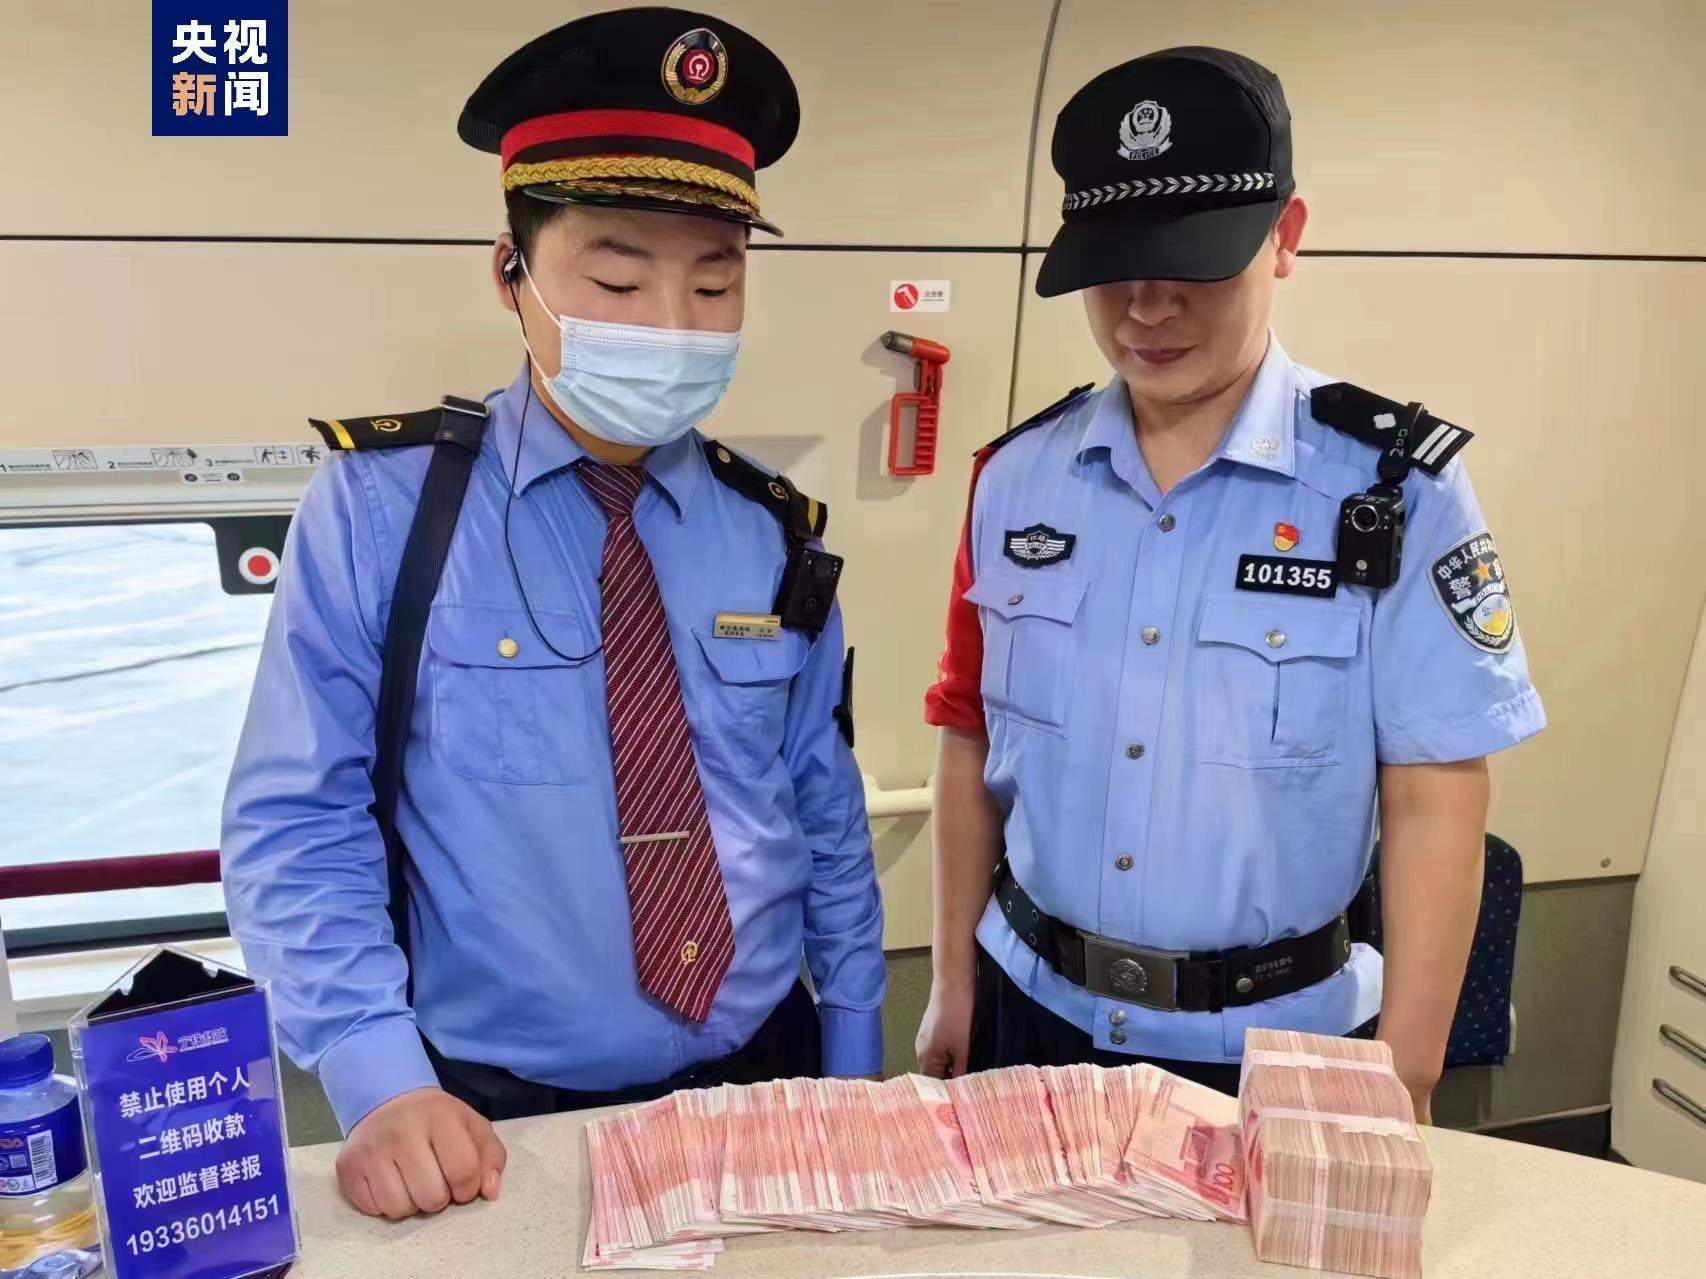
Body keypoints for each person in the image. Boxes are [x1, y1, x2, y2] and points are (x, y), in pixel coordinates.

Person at [221, 7, 884, 1221]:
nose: (669, 324)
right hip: (498, 1116)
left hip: (771, 1080)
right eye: (617, 278)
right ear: (510, 271)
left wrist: (852, 1044)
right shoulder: (383, 511)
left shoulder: (771, 530)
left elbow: (821, 810)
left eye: (714, 282)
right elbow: (298, 822)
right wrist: (377, 1080)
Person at [915, 47, 1543, 1121]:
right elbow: (969, 737)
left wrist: (1405, 1072)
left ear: (1284, 237)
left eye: (1191, 263)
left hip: (1277, 1048)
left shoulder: (1392, 491)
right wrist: (952, 981)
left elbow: (1434, 790)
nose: (1146, 308)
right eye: (1115, 266)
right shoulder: (1013, 480)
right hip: (1031, 1016)